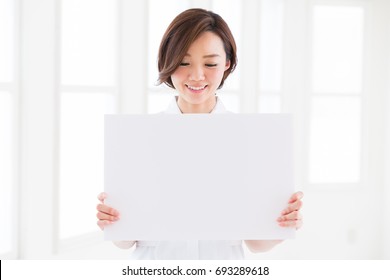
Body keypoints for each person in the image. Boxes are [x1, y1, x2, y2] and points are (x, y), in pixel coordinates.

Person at [96, 8, 303, 260]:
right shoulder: (139, 138)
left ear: (227, 63)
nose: (196, 76)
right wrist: (113, 221)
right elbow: (126, 241)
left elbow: (256, 243)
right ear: (167, 63)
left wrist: (281, 225)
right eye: (183, 62)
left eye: (210, 63)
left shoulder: (250, 138)